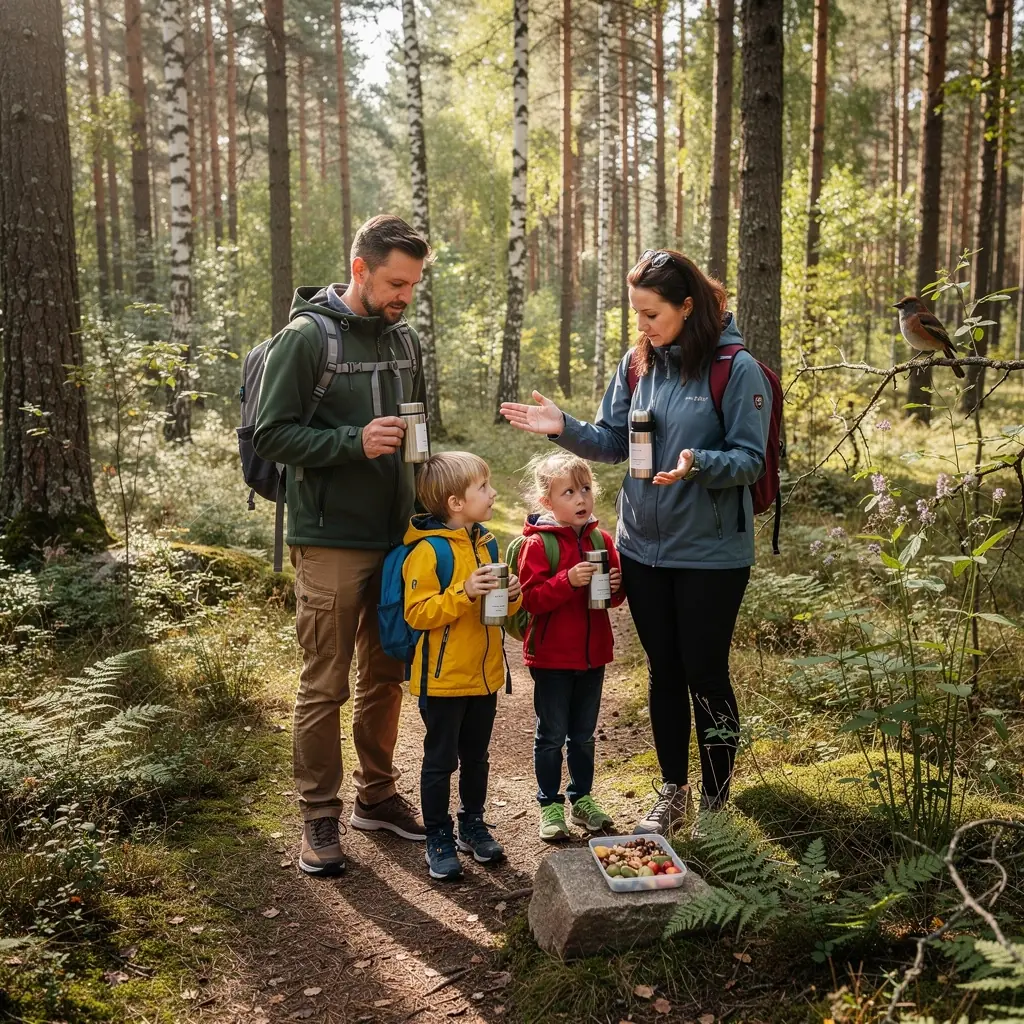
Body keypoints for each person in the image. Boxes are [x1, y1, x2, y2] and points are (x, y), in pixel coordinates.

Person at [501, 249, 771, 834]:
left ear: (687, 306)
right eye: (637, 314)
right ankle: (673, 792)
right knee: (664, 672)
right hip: (642, 550)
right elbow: (611, 440)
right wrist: (564, 429)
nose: (642, 326)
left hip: (709, 554)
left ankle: (718, 807)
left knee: (705, 672)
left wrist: (698, 462)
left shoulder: (735, 368)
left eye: (652, 314)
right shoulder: (637, 364)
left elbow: (750, 460)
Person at [253, 215, 432, 877]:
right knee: (324, 684)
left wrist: (430, 509)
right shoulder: (306, 339)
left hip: (396, 540)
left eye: (412, 284)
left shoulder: (406, 341)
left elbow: (417, 429)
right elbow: (273, 434)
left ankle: (377, 795)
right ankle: (319, 817)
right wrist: (349, 443)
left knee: (386, 675)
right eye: (394, 282)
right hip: (329, 540)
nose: (404, 295)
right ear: (360, 268)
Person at [402, 452, 523, 880]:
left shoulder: (486, 541)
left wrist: (512, 592)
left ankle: (472, 823)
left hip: (485, 674)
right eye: (484, 488)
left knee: (477, 757)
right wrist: (464, 591)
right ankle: (438, 834)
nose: (492, 495)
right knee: (440, 761)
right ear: (455, 502)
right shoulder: (427, 552)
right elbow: (417, 613)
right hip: (442, 680)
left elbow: (504, 610)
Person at [516, 452, 625, 841]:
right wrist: (567, 580)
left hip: (592, 654)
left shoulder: (601, 539)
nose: (581, 499)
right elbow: (531, 600)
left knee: (583, 734)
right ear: (547, 502)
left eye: (585, 489)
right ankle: (549, 803)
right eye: (569, 492)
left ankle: (582, 799)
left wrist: (615, 587)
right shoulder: (538, 545)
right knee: (551, 734)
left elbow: (612, 600)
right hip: (551, 658)